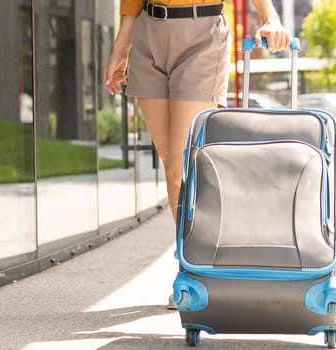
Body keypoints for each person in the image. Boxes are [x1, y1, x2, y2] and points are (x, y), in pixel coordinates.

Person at [104, 0, 291, 225]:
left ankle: (206, 250)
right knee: (172, 167)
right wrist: (121, 47)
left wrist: (270, 17)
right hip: (148, 32)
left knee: (181, 162)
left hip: (203, 32)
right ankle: (189, 256)